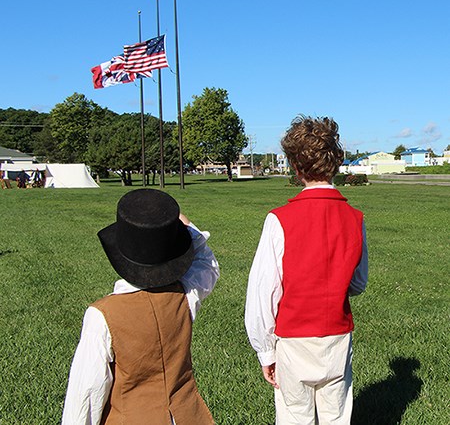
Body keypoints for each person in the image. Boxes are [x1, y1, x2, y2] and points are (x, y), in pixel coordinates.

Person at [245, 115, 368, 424]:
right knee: (336, 416)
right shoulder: (355, 219)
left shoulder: (279, 220)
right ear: (336, 163)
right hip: (336, 338)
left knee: (293, 417)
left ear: (294, 167)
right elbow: (358, 282)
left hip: (293, 340)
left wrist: (265, 351)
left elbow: (263, 292)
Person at [62, 188, 219, 424]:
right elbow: (208, 264)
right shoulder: (185, 296)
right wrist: (187, 230)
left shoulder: (102, 315)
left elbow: (86, 394)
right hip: (187, 416)